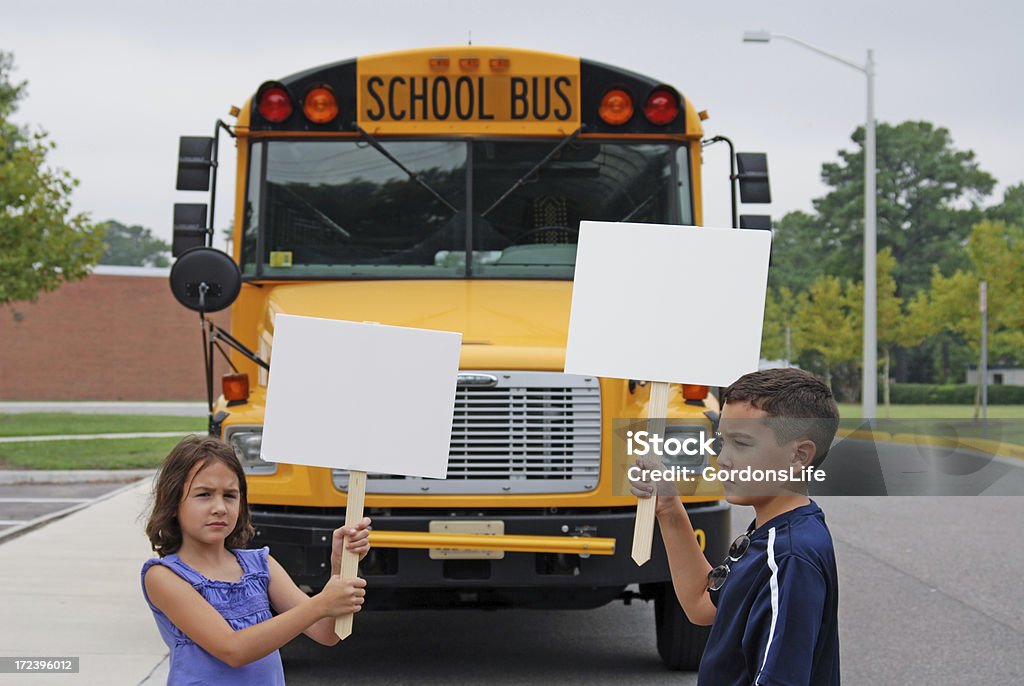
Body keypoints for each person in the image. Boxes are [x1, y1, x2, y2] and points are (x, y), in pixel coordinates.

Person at [632, 367, 841, 685]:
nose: (723, 459)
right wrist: (669, 508)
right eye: (722, 442)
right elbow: (702, 605)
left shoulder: (788, 556)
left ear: (799, 455)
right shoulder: (770, 532)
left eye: (741, 444)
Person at [142, 435, 371, 685]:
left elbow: (326, 633)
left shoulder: (261, 566)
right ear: (173, 502)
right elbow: (234, 650)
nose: (219, 507)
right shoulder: (164, 576)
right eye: (204, 494)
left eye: (230, 495)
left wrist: (339, 566)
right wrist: (321, 603)